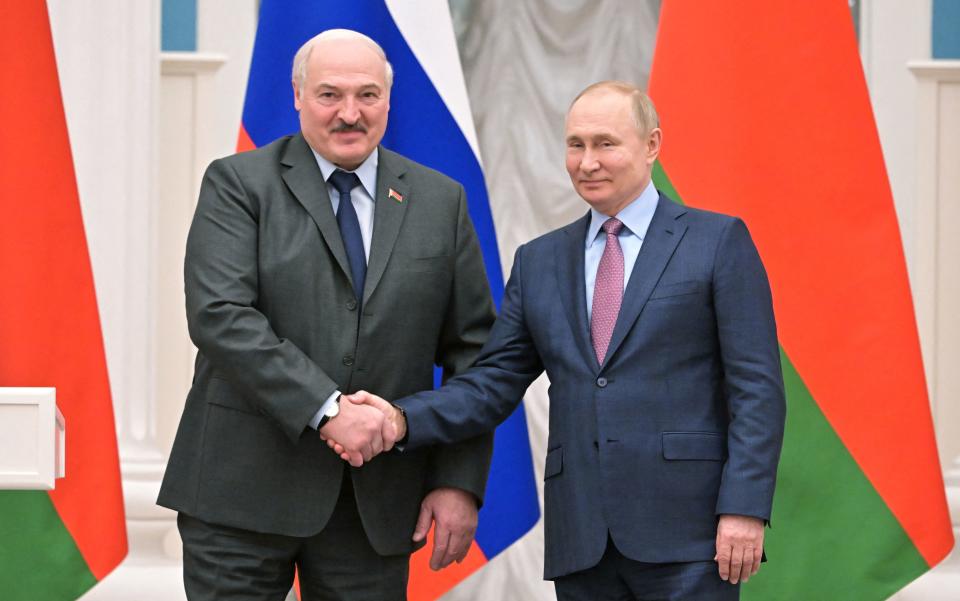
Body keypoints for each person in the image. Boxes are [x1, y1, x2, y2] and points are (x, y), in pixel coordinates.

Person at [335, 81, 786, 600]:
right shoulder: (540, 260)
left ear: (652, 145)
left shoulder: (717, 241)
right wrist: (400, 419)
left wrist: (744, 507)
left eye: (605, 143)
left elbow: (756, 390)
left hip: (690, 536)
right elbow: (490, 384)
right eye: (576, 145)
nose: (587, 162)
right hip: (582, 540)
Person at [157, 29, 496, 601]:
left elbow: (475, 352)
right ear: (296, 96)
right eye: (329, 95)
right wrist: (327, 409)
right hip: (240, 495)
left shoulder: (442, 201)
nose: (349, 114)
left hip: (374, 506)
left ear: (389, 100)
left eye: (367, 95)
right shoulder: (238, 184)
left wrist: (458, 481)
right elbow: (220, 314)